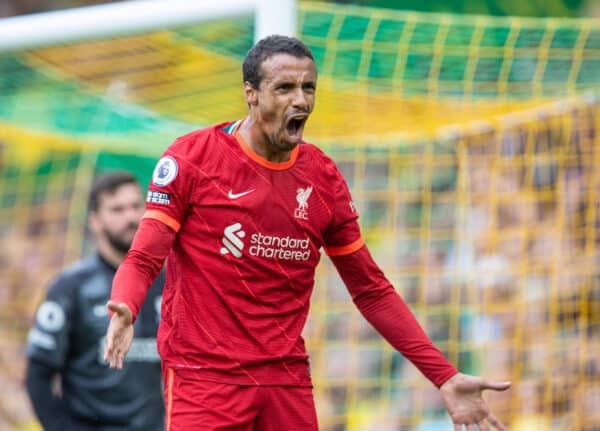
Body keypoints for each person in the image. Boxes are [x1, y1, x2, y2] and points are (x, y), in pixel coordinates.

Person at [104, 35, 511, 431]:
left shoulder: (322, 177)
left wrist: (442, 375)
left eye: (308, 87)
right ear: (252, 93)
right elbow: (144, 257)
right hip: (205, 378)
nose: (300, 100)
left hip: (285, 379)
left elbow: (370, 289)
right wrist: (125, 304)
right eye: (284, 88)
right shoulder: (193, 158)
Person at [26, 172, 165, 431]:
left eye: (136, 206)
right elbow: (38, 377)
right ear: (94, 221)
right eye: (117, 209)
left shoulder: (168, 284)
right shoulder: (69, 288)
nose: (131, 217)